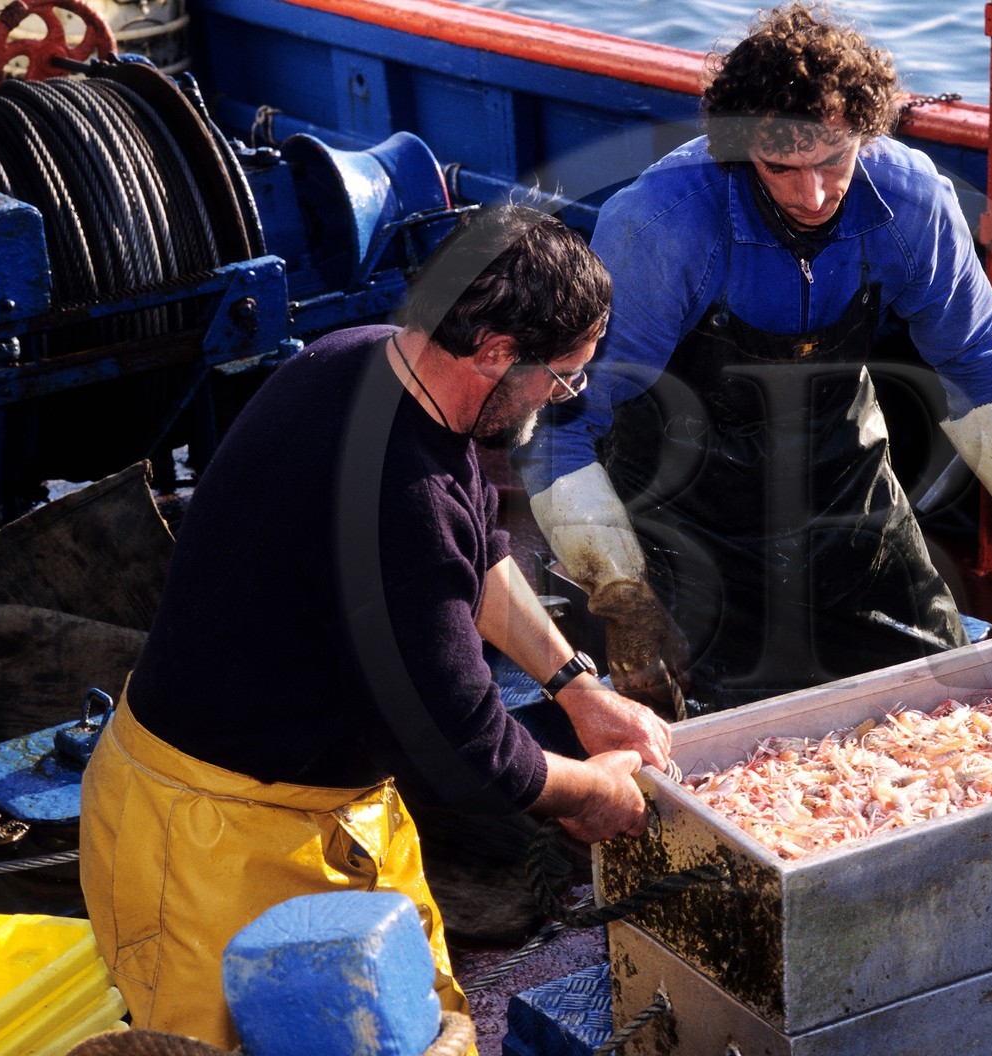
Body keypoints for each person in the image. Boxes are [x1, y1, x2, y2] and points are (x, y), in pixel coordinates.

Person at [78, 205, 671, 1048]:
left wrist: (578, 692)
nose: (560, 395)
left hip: (331, 808)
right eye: (561, 375)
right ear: (497, 354)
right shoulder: (401, 499)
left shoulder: (372, 362)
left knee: (420, 1030)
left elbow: (477, 554)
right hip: (213, 836)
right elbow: (460, 748)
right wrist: (595, 793)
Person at [516, 3, 992, 716]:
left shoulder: (913, 203)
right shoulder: (661, 227)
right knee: (708, 724)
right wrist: (622, 599)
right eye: (781, 168)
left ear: (867, 132)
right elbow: (562, 424)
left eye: (834, 160)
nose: (813, 194)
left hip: (843, 477)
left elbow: (978, 360)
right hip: (684, 502)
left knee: (945, 700)